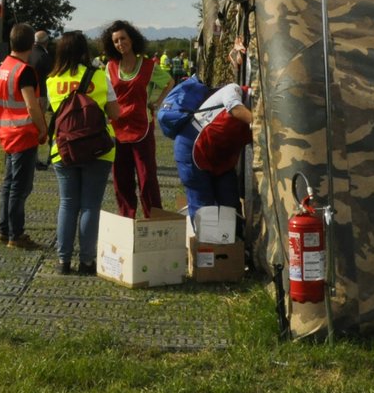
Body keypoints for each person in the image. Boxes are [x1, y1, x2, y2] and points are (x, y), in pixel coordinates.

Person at [46, 30, 119, 275]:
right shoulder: (99, 76)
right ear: (84, 51)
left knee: (67, 204)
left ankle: (63, 261)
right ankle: (87, 261)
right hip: (97, 149)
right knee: (90, 205)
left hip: (63, 149)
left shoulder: (52, 80)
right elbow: (116, 113)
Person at [100, 20, 171, 218]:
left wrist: (156, 102)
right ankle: (126, 219)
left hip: (142, 129)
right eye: (115, 41)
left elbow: (169, 82)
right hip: (118, 130)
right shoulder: (111, 67)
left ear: (132, 39)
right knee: (121, 180)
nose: (120, 43)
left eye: (123, 38)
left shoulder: (149, 66)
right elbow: (107, 93)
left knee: (147, 178)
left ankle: (154, 218)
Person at [173, 43, 254, 212]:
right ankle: (203, 239)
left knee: (230, 204)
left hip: (221, 158)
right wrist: (257, 123)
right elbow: (234, 108)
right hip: (193, 148)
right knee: (204, 205)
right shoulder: (234, 90)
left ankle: (235, 238)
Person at [0, 22, 47, 250]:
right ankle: (16, 234)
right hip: (23, 134)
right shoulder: (25, 71)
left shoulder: (4, 65)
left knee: (8, 185)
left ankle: (4, 231)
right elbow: (32, 106)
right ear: (31, 45)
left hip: (6, 132)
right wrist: (43, 127)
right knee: (20, 188)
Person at [29, 30, 54, 170]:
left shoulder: (27, 54)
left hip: (26, 93)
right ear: (46, 42)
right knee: (38, 126)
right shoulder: (44, 57)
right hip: (41, 94)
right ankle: (35, 158)